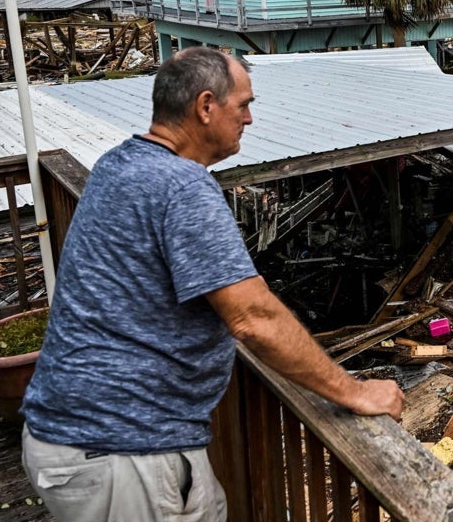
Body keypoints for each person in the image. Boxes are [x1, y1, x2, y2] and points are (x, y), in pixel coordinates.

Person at [21, 47, 403, 521]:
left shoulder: (119, 164)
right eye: (243, 105)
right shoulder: (181, 186)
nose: (249, 118)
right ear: (205, 106)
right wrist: (354, 392)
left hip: (79, 436)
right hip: (122, 448)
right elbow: (252, 317)